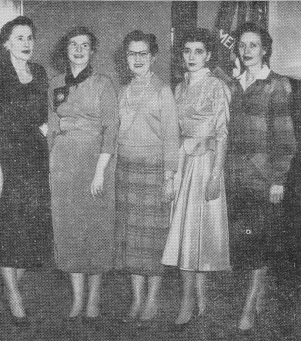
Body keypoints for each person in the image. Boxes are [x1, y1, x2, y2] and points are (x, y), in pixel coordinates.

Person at [0, 16, 51, 326]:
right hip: (7, 161)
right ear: (6, 43)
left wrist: (56, 148)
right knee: (7, 231)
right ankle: (13, 293)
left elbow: (43, 120)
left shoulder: (40, 73)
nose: (26, 43)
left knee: (30, 230)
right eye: (19, 38)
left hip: (35, 161)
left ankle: (10, 287)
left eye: (30, 37)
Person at [226, 22, 296, 332]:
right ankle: (257, 291)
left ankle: (250, 304)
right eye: (242, 45)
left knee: (258, 244)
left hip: (264, 178)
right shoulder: (234, 84)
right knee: (245, 242)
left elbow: (285, 138)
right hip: (236, 177)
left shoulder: (276, 84)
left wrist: (279, 180)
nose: (247, 50)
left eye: (253, 45)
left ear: (264, 49)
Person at [161, 28, 231, 328]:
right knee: (185, 236)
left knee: (199, 237)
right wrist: (170, 174)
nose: (191, 57)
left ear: (209, 55)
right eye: (187, 51)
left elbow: (223, 133)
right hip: (183, 164)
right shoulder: (178, 89)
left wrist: (216, 173)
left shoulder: (217, 86)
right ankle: (193, 299)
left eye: (198, 51)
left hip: (206, 166)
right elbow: (173, 134)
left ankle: (195, 300)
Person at [48, 26, 119, 322]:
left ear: (92, 51)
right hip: (64, 165)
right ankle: (77, 299)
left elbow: (111, 129)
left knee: (96, 229)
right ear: (66, 49)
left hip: (95, 165)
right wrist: (52, 162)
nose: (78, 49)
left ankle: (93, 299)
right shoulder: (54, 84)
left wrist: (100, 172)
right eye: (73, 44)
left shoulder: (104, 83)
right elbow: (51, 127)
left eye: (85, 45)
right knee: (69, 232)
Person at [114, 30, 179, 327]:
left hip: (154, 172)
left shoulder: (163, 90)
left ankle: (151, 299)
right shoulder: (122, 91)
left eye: (142, 54)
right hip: (126, 171)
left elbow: (171, 138)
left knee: (152, 241)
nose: (137, 59)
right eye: (132, 54)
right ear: (125, 57)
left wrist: (169, 178)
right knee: (131, 241)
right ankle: (136, 298)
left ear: (153, 57)